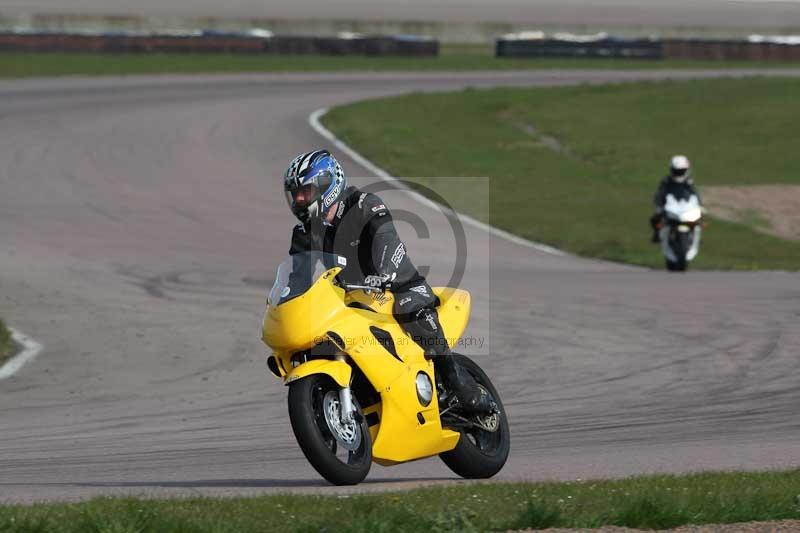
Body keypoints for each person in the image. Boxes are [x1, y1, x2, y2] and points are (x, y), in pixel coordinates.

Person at [282, 149, 493, 414]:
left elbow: (385, 237)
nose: (300, 200)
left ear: (328, 185)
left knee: (408, 307)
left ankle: (458, 383)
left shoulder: (364, 205)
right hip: (353, 300)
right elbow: (298, 276)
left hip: (398, 286)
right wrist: (288, 299)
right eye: (295, 194)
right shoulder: (303, 233)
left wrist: (384, 273)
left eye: (306, 191)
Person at [650, 155, 703, 243]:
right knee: (655, 219)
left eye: (681, 171)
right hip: (671, 206)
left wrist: (700, 205)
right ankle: (657, 234)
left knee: (698, 220)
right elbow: (660, 194)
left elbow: (695, 194)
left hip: (685, 206)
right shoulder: (666, 181)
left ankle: (695, 237)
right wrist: (659, 204)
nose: (679, 173)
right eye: (677, 171)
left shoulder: (689, 181)